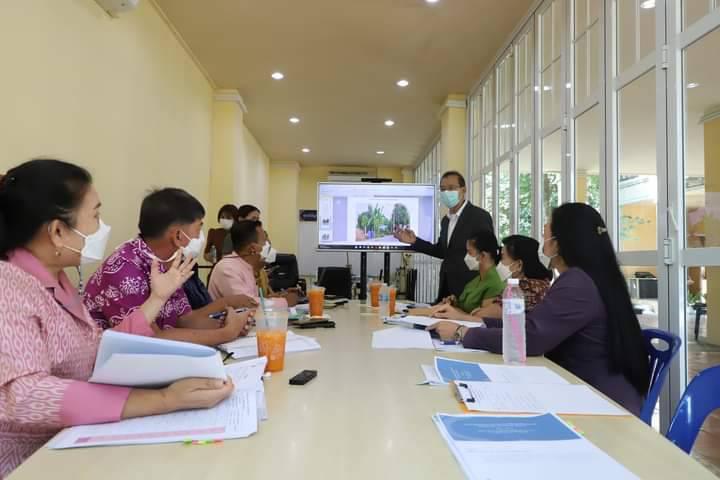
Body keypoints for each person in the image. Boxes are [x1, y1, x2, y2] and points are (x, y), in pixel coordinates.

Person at [0, 160, 235, 478]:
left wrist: (157, 299)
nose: (102, 227)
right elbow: (27, 394)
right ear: (57, 231)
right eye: (95, 215)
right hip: (28, 462)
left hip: (72, 438)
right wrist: (164, 399)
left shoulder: (57, 279)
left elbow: (100, 345)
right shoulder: (9, 286)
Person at [429, 203, 650, 416]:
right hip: (585, 390)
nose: (543, 236)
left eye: (547, 230)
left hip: (601, 403)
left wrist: (463, 333)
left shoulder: (577, 282)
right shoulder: (591, 276)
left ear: (559, 242)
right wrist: (480, 323)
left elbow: (530, 338)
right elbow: (531, 325)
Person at [83, 188, 255, 346]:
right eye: (198, 228)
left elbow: (184, 320)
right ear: (178, 235)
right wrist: (227, 332)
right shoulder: (124, 270)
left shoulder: (166, 262)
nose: (199, 236)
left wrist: (229, 324)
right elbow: (151, 339)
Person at [394, 171, 493, 302]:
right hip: (447, 287)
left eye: (451, 188)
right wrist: (415, 241)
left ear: (463, 190)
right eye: (443, 189)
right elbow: (443, 251)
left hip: (470, 288)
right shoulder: (446, 221)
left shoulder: (479, 216)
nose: (446, 193)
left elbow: (489, 253)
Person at [431, 235, 552, 321]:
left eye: (503, 258)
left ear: (518, 265)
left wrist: (460, 312)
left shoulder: (526, 288)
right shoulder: (535, 284)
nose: (499, 263)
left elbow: (482, 315)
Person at [412, 230, 505, 316]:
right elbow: (466, 307)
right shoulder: (477, 279)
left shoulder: (495, 283)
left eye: (469, 252)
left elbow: (479, 319)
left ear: (483, 255)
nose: (466, 257)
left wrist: (451, 309)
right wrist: (454, 303)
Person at [208, 220, 298, 306]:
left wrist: (279, 296)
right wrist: (285, 302)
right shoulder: (227, 268)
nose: (269, 245)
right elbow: (247, 304)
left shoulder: (249, 267)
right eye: (264, 241)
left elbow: (254, 299)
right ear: (252, 249)